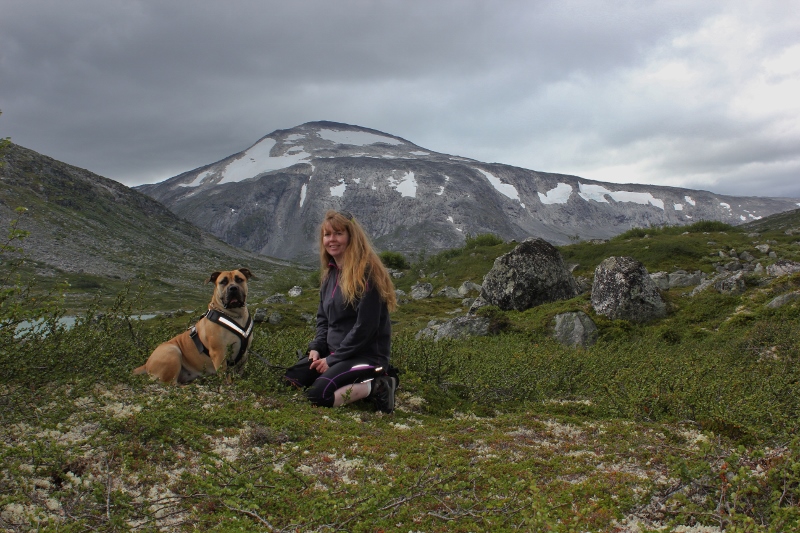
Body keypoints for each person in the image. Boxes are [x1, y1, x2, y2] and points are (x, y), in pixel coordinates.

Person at [283, 210, 398, 413]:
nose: (332, 240)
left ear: (351, 237)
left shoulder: (367, 274)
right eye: (327, 235)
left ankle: (379, 385)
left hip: (367, 357)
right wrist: (317, 348)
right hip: (334, 353)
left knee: (317, 396)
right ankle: (339, 376)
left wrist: (332, 360)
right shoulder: (330, 275)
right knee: (290, 380)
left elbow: (365, 327)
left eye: (338, 233)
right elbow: (323, 319)